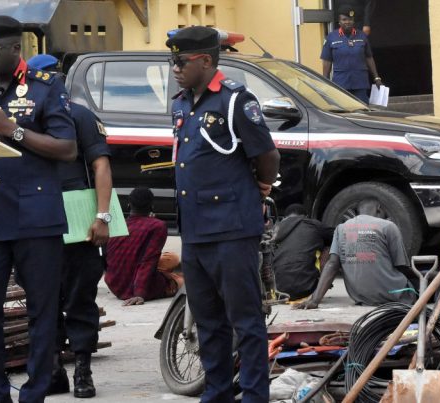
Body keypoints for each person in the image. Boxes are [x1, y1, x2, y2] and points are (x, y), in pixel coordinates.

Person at [0, 16, 77, 403]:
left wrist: (14, 130)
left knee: (42, 311)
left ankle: (35, 392)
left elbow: (67, 148)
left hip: (36, 217)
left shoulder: (46, 87)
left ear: (16, 49)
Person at [166, 26, 280, 402]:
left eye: (181, 61)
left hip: (232, 229)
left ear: (207, 61)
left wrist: (262, 188)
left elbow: (267, 154)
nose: (175, 68)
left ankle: (253, 396)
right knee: (208, 321)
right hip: (195, 232)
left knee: (245, 322)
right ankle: (216, 394)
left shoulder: (234, 101)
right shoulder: (181, 102)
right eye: (172, 60)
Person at [25, 54, 112, 399]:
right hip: (35, 222)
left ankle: (83, 371)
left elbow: (101, 166)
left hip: (77, 221)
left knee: (79, 299)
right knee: (42, 302)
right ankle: (55, 371)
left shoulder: (79, 115)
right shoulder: (25, 119)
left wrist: (102, 216)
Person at [294, 199, 413, 309]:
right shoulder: (388, 226)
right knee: (423, 284)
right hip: (394, 295)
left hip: (361, 297)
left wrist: (315, 300)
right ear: (379, 209)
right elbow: (401, 266)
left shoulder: (341, 228)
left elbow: (332, 264)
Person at [105, 187, 183, 306]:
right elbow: (148, 260)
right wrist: (139, 293)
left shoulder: (120, 225)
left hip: (115, 285)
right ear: (152, 206)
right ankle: (172, 278)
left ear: (128, 205)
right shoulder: (157, 225)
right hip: (137, 287)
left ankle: (168, 275)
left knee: (171, 258)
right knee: (183, 282)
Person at [320, 5, 382, 103]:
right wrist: (325, 81)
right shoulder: (331, 38)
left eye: (350, 19)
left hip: (360, 82)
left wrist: (376, 77)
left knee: (362, 112)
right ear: (339, 22)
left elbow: (369, 58)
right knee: (344, 112)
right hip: (340, 84)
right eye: (344, 19)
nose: (348, 22)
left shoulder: (362, 36)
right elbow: (327, 61)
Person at [271, 204, 334, 300]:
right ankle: (320, 288)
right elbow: (337, 236)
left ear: (284, 218)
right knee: (330, 247)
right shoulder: (312, 223)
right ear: (306, 217)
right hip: (306, 290)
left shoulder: (275, 230)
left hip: (279, 291)